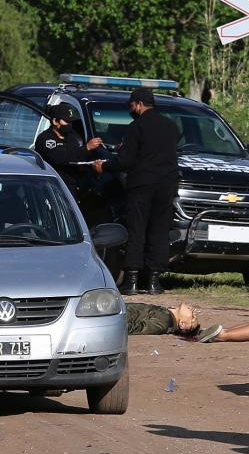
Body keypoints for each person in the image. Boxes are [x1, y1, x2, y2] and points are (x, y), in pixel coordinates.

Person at [92, 88, 179, 297]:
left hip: (141, 186)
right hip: (166, 185)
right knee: (159, 230)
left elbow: (126, 161)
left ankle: (131, 280)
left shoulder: (136, 127)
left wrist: (104, 167)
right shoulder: (171, 126)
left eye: (131, 105)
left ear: (139, 104)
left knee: (136, 230)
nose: (130, 109)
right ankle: (154, 282)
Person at [35, 102, 104, 215]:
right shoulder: (46, 139)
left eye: (71, 122)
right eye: (66, 121)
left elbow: (77, 158)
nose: (69, 125)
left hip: (74, 183)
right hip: (55, 184)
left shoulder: (72, 137)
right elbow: (59, 158)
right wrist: (86, 148)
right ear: (55, 121)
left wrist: (91, 164)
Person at [125, 301, 201, 337]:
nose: (194, 312)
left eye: (193, 317)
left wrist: (113, 325)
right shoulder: (166, 315)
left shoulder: (164, 322)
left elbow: (136, 328)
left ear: (182, 324)